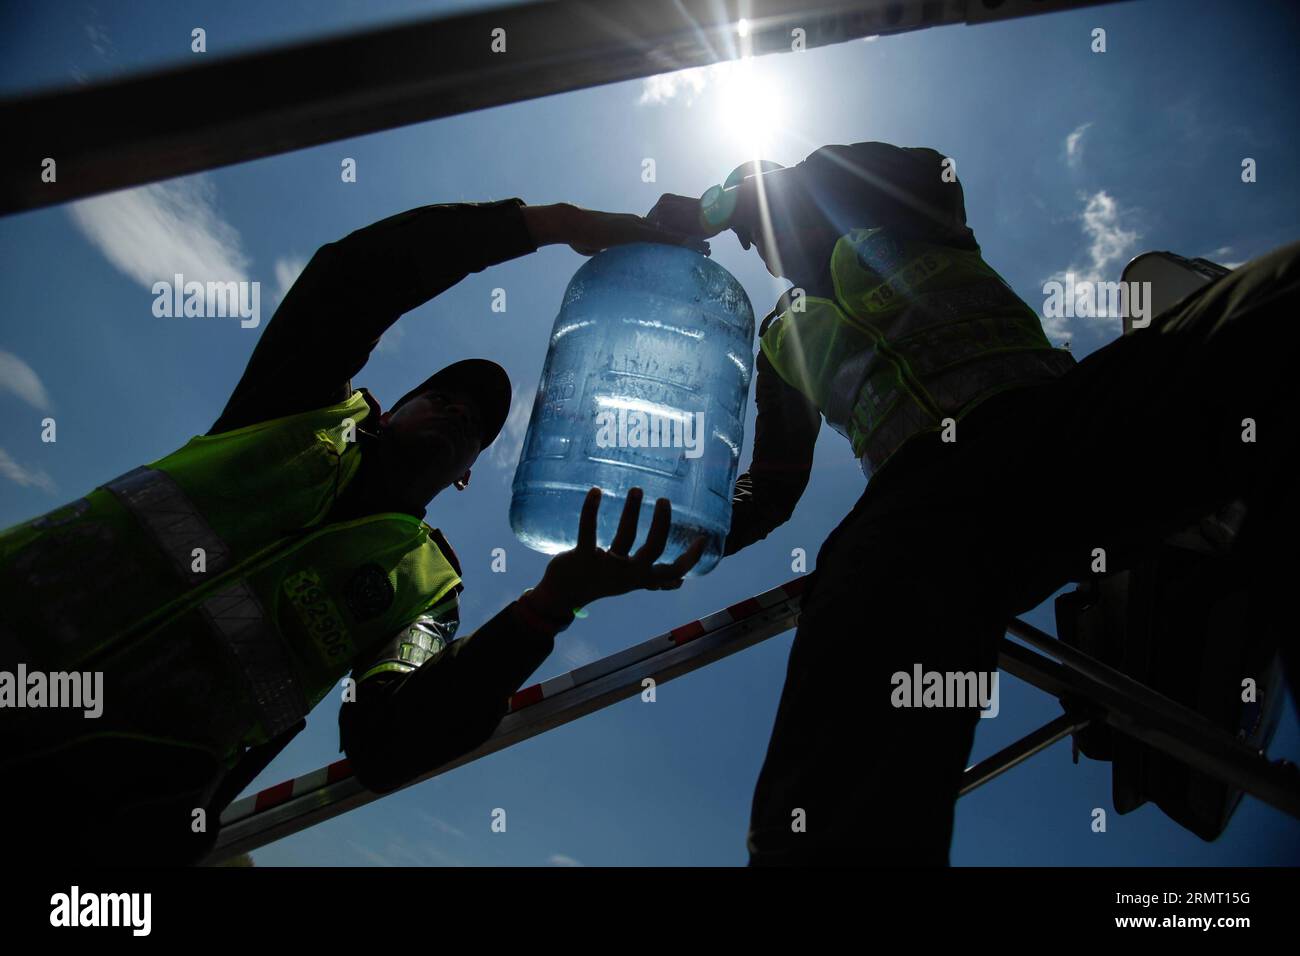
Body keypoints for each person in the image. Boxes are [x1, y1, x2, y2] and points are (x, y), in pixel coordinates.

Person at [649, 141, 1300, 865]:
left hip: (1061, 427)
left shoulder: (910, 212)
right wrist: (687, 534)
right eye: (753, 233)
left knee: (1277, 302)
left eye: (773, 208)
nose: (766, 236)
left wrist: (750, 191)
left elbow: (932, 167)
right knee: (851, 650)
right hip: (921, 511)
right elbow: (771, 487)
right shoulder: (779, 341)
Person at [0, 198, 706, 864]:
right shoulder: (292, 414)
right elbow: (355, 276)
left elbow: (387, 746)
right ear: (386, 407)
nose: (461, 414)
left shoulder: (424, 591)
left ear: (467, 477)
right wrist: (553, 222)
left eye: (478, 428)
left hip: (99, 825)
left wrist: (548, 608)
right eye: (443, 396)